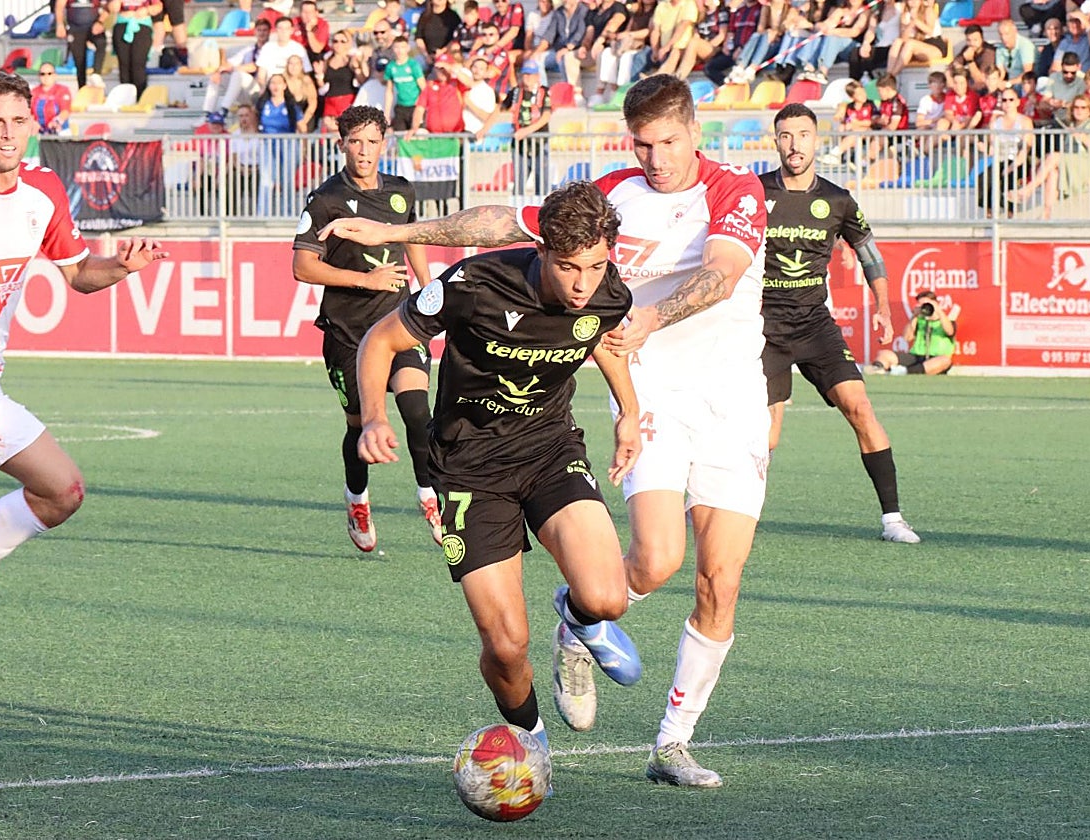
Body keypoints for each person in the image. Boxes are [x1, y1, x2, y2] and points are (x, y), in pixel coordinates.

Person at [320, 74, 774, 788]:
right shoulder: (591, 208)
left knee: (698, 581)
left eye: (668, 141)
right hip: (484, 459)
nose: (655, 157)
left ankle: (668, 737)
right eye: (642, 143)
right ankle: (534, 732)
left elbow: (718, 275)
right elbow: (499, 224)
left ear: (695, 132)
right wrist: (397, 233)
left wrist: (632, 372)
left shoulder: (732, 190)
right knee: (595, 595)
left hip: (705, 403)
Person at [352, 179, 642, 759]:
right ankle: (531, 744)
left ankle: (578, 624)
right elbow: (379, 341)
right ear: (540, 251)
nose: (583, 284)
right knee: (507, 646)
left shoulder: (609, 292)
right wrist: (373, 419)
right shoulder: (474, 284)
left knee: (608, 599)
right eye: (568, 268)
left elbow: (603, 340)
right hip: (467, 471)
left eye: (594, 266)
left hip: (549, 453)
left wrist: (629, 412)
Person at [0, 72, 168, 650]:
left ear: (34, 125)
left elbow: (78, 276)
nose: (8, 133)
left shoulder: (43, 189)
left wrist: (121, 266)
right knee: (61, 488)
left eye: (19, 121)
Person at [759, 103, 919, 545]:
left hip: (814, 325)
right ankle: (725, 513)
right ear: (776, 141)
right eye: (786, 135)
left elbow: (870, 254)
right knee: (766, 438)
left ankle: (893, 520)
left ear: (816, 140)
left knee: (861, 408)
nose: (794, 145)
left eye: (803, 135)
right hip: (762, 327)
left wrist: (883, 306)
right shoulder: (753, 194)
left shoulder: (837, 199)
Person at [292, 105, 441, 552]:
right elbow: (302, 267)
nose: (364, 151)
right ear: (341, 145)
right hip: (347, 333)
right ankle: (357, 498)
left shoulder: (401, 191)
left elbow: (411, 241)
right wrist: (366, 280)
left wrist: (431, 293)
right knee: (359, 428)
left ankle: (431, 497)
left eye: (372, 142)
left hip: (400, 320)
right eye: (355, 142)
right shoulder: (325, 200)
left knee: (418, 411)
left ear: (384, 143)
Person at [474, 58, 551, 196]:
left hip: (539, 142)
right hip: (520, 144)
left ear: (537, 76)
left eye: (530, 75)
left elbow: (546, 117)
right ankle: (518, 211)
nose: (526, 78)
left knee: (542, 182)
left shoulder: (544, 92)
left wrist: (526, 131)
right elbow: (499, 109)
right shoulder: (516, 92)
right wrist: (484, 130)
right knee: (519, 181)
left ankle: (543, 212)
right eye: (524, 74)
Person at [1011, 94, 1090, 219]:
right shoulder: (1072, 125)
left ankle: (1028, 189)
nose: (1079, 110)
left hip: (1086, 162)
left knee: (1054, 156)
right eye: (1076, 107)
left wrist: (1082, 137)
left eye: (1083, 108)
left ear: (1089, 110)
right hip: (1070, 161)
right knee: (1052, 173)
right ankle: (1046, 213)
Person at [975, 85, 1032, 218]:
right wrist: (984, 147)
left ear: (1018, 101)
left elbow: (1027, 147)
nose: (1007, 103)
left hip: (1018, 159)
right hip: (1000, 159)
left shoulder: (1025, 121)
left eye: (1011, 100)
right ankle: (989, 211)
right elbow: (993, 148)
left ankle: (1010, 211)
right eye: (1004, 100)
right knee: (984, 177)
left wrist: (1014, 165)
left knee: (1009, 177)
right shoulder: (996, 122)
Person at [869, 291, 958, 375]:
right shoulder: (918, 320)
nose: (925, 307)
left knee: (945, 360)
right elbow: (907, 338)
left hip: (935, 358)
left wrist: (938, 311)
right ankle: (878, 369)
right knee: (884, 354)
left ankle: (904, 371)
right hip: (916, 356)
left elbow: (950, 331)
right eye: (921, 305)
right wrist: (915, 316)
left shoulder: (947, 320)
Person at [203, 18, 271, 117]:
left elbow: (254, 67)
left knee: (238, 74)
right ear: (255, 32)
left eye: (264, 30)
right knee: (217, 77)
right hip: (244, 90)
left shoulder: (272, 49)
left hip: (260, 89)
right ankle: (207, 112)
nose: (262, 33)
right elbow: (231, 63)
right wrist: (218, 71)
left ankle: (224, 109)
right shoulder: (249, 49)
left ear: (269, 32)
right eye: (259, 30)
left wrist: (236, 69)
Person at [107, 0, 162, 99]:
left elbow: (158, 6)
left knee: (138, 63)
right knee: (124, 64)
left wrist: (147, 10)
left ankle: (140, 96)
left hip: (142, 26)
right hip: (122, 24)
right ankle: (125, 97)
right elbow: (112, 8)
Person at [55, 0, 109, 89]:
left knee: (101, 42)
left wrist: (100, 22)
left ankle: (96, 74)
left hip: (93, 25)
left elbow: (109, 6)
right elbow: (59, 6)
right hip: (75, 27)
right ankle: (82, 87)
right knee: (79, 60)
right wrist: (60, 24)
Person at [383, 35, 425, 131]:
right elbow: (389, 91)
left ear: (408, 48)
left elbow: (424, 88)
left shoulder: (413, 65)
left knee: (416, 134)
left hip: (415, 106)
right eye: (397, 47)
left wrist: (420, 107)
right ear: (393, 48)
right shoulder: (391, 67)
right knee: (400, 137)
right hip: (401, 107)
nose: (399, 51)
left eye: (402, 47)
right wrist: (387, 113)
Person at [30, 63, 72, 135]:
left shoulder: (63, 90)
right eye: (42, 74)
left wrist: (56, 122)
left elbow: (65, 111)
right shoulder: (34, 92)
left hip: (59, 131)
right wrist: (32, 123)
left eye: (49, 73)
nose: (46, 76)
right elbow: (29, 112)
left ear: (55, 75)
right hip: (39, 132)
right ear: (39, 76)